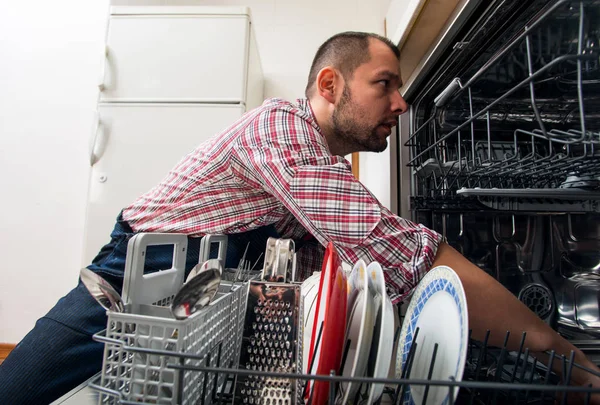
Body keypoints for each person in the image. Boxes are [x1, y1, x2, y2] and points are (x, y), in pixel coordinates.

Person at [1, 31, 598, 404]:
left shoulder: (311, 162)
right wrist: (561, 357)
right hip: (129, 281)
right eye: (385, 84)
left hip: (191, 296)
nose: (402, 103)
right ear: (330, 83)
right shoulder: (280, 129)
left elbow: (340, 275)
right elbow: (389, 246)